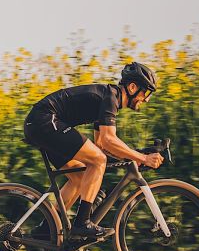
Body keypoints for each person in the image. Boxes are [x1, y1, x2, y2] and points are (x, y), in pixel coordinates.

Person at [24, 62, 164, 238]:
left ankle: (44, 231)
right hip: (45, 121)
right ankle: (82, 224)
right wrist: (142, 158)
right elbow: (108, 141)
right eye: (146, 92)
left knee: (80, 178)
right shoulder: (110, 98)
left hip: (40, 124)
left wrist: (135, 154)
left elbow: (102, 145)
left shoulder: (107, 99)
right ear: (133, 87)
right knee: (98, 161)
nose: (146, 99)